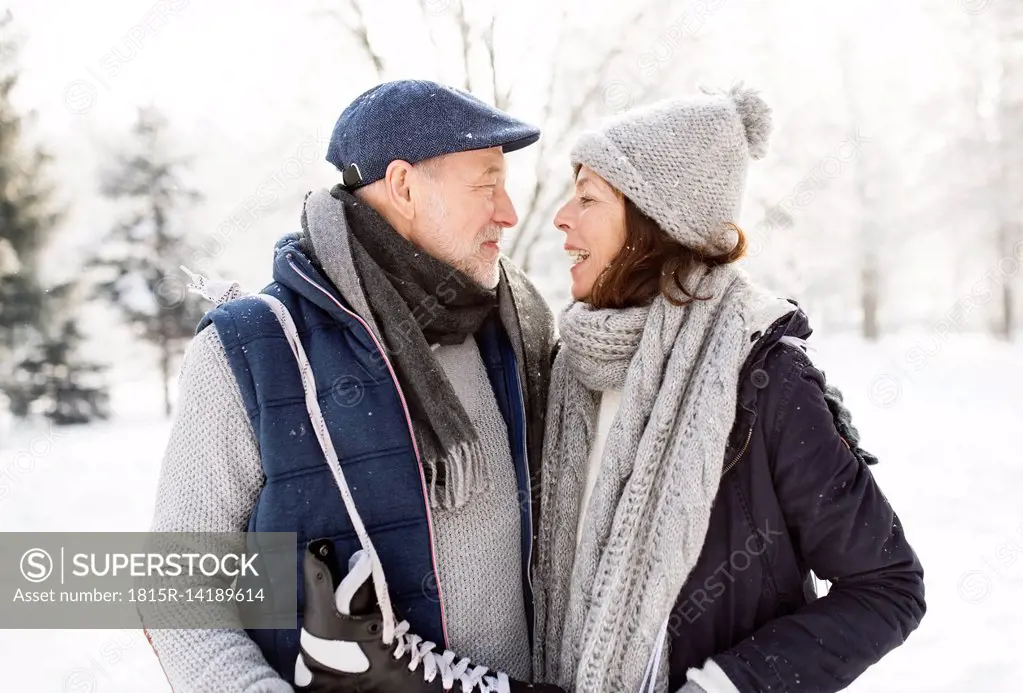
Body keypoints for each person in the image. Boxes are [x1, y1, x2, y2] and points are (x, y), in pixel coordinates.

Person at [144, 79, 559, 692]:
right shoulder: (256, 351)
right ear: (403, 186)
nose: (509, 212)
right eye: (486, 184)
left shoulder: (512, 325)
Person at [532, 85, 926, 693]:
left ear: (654, 222)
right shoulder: (567, 369)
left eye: (587, 198)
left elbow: (887, 585)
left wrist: (727, 685)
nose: (561, 215)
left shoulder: (763, 378)